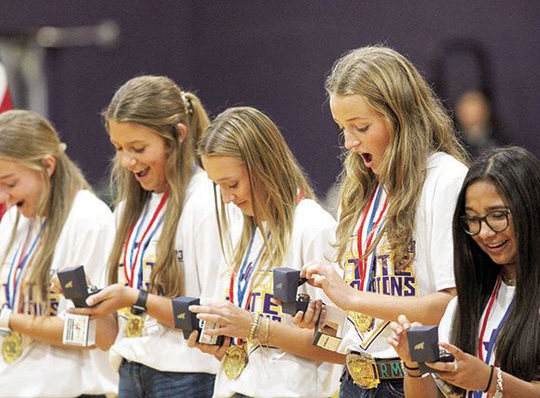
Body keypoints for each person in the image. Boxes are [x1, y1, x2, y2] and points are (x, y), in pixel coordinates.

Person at [302, 45, 469, 397]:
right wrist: (326, 318)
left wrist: (352, 299)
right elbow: (365, 309)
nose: (348, 142)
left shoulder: (446, 179)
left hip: (412, 381)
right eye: (341, 128)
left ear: (400, 116)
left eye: (360, 126)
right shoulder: (363, 186)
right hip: (355, 379)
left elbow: (449, 305)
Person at [70, 75, 222, 397]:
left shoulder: (208, 200)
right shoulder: (127, 208)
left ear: (178, 136)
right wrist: (89, 303)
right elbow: (111, 334)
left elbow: (210, 317)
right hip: (130, 370)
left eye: (138, 148)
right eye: (119, 148)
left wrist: (136, 299)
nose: (127, 161)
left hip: (189, 376)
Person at [189, 106, 342, 398]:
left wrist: (255, 327)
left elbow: (339, 349)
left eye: (232, 184)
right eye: (218, 186)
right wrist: (219, 343)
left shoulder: (313, 227)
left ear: (264, 165)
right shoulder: (238, 227)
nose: (227, 198)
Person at [388, 146, 540, 397]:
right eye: (473, 220)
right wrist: (415, 364)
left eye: (498, 215)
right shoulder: (466, 303)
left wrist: (491, 380)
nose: (485, 232)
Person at [0, 110, 118, 397]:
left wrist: (8, 320)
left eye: (10, 183)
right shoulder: (12, 221)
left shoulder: (90, 220)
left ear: (48, 165)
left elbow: (90, 333)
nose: (4, 196)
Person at [454, 89, 505, 159]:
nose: (472, 114)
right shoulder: (455, 142)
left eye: (476, 109)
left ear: (486, 111)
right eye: (468, 111)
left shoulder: (499, 137)